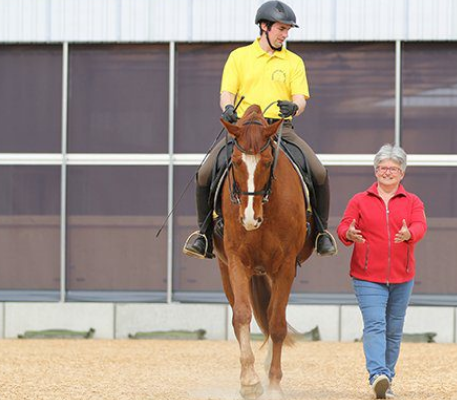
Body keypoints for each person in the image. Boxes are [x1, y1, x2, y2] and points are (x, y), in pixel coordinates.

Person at [183, 0, 337, 259]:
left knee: (319, 172)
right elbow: (227, 93)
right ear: (264, 27)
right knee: (204, 173)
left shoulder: (293, 61)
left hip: (279, 128)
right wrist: (228, 109)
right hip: (243, 130)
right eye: (281, 28)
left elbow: (301, 99)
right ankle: (204, 235)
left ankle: (321, 233)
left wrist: (293, 107)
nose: (285, 34)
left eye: (288, 30)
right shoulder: (239, 57)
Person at [337, 144, 427, 399]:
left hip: (403, 276)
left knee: (393, 330)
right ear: (375, 171)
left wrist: (410, 233)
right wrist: (348, 233)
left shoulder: (412, 202)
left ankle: (387, 380)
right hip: (367, 277)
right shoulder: (359, 200)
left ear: (402, 173)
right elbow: (343, 227)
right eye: (383, 168)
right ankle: (377, 374)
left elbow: (420, 225)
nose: (388, 172)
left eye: (393, 169)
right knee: (375, 325)